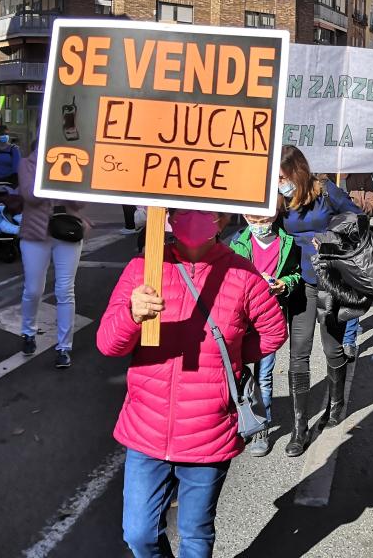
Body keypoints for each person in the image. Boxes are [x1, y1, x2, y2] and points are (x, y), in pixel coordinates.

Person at [98, 209, 287, 558]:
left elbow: (274, 331)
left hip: (208, 432)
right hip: (146, 430)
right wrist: (131, 315)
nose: (194, 217)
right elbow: (109, 344)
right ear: (168, 216)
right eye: (182, 210)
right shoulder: (143, 269)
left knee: (195, 536)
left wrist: (230, 358)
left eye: (206, 211)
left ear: (223, 220)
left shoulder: (242, 275)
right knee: (139, 534)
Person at [278, 146, 362, 457]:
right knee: (298, 354)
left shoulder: (326, 191)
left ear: (297, 172)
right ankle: (299, 428)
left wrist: (332, 238)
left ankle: (336, 403)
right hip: (299, 285)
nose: (279, 183)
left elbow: (358, 219)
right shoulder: (281, 201)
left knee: (332, 348)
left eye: (283, 177)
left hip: (330, 283)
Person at [229, 210, 302, 457]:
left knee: (264, 375)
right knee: (235, 372)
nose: (259, 226)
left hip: (269, 316)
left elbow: (296, 274)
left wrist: (285, 283)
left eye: (264, 221)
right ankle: (237, 421)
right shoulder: (239, 242)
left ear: (273, 218)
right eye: (253, 221)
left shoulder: (286, 242)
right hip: (240, 316)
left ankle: (261, 426)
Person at [18, 143, 86, 368]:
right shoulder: (28, 164)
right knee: (33, 289)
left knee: (66, 290)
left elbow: (80, 202)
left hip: (67, 232)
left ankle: (64, 347)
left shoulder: (73, 162)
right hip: (35, 235)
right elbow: (30, 195)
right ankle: (28, 332)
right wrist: (50, 170)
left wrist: (68, 174)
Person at [337, 173, 373, 360]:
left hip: (356, 242)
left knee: (353, 292)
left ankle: (348, 340)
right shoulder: (323, 176)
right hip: (330, 243)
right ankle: (334, 336)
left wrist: (355, 206)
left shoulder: (362, 177)